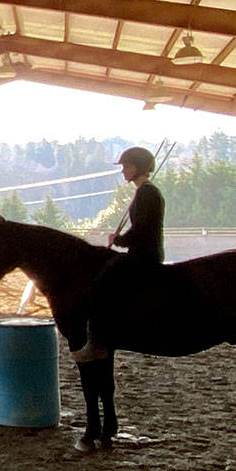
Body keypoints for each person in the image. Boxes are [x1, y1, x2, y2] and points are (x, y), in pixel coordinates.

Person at [72, 145, 165, 362]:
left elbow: (142, 229)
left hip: (143, 255)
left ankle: (97, 343)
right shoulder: (144, 192)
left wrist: (119, 240)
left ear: (137, 168)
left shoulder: (147, 193)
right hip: (143, 252)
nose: (123, 171)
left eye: (127, 166)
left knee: (100, 284)